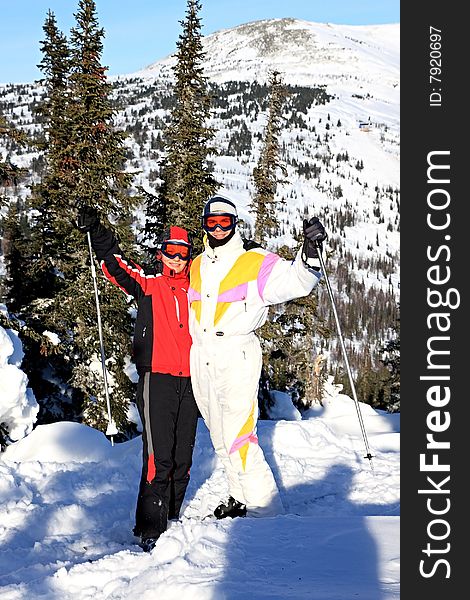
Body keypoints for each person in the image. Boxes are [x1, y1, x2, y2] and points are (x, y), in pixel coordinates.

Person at [188, 195, 327, 519]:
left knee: (239, 436)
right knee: (220, 433)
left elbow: (296, 282)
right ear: (205, 224)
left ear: (235, 223)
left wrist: (309, 253)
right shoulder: (198, 263)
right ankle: (239, 497)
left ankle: (268, 513)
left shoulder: (254, 259)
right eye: (212, 222)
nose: (219, 227)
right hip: (203, 355)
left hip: (235, 353)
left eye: (226, 222)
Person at [76, 206, 199, 552]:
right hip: (156, 378)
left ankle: (172, 517)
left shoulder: (198, 287)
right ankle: (150, 528)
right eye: (169, 252)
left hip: (191, 380)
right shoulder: (150, 282)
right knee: (158, 456)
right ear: (161, 253)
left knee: (182, 457)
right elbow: (116, 263)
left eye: (182, 253)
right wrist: (98, 231)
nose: (175, 259)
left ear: (189, 256)